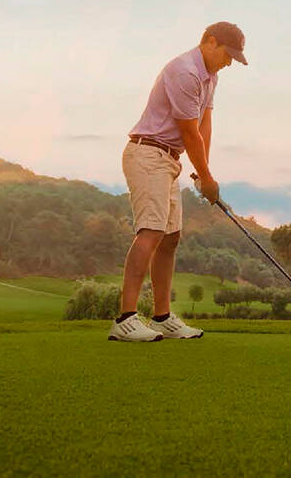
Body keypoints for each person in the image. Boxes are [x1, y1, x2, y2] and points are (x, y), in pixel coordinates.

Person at [108, 21, 247, 342]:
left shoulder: (210, 78)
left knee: (171, 237)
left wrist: (203, 172)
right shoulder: (184, 71)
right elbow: (188, 131)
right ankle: (125, 319)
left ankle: (162, 316)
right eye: (228, 54)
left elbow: (203, 125)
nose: (229, 62)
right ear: (209, 42)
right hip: (147, 154)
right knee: (152, 231)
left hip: (169, 160)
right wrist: (209, 179)